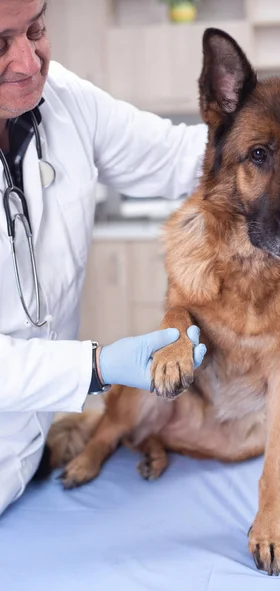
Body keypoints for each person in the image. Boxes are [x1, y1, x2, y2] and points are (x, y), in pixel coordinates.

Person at [0, 0, 208, 516]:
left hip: (28, 467)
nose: (29, 62)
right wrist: (96, 365)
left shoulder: (65, 101)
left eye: (37, 29)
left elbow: (182, 156)